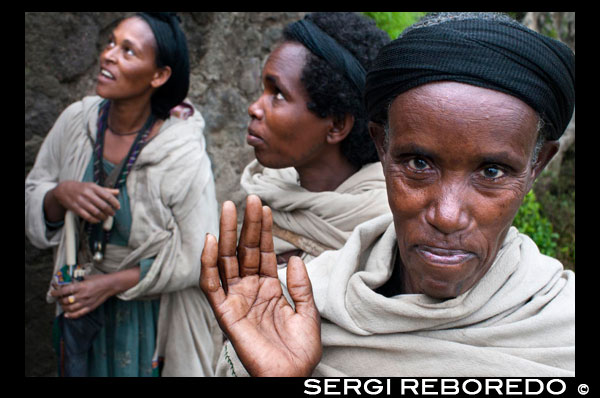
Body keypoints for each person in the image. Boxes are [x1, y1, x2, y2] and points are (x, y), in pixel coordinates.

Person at [200, 12, 575, 377]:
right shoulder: (297, 306)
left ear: (536, 166)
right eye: (418, 164)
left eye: (492, 172)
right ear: (382, 148)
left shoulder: (563, 331)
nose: (446, 216)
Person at [25, 12, 221, 376]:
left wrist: (109, 284)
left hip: (152, 318)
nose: (109, 55)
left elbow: (199, 252)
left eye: (129, 51)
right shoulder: (76, 122)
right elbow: (36, 191)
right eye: (112, 42)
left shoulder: (180, 151)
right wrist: (60, 195)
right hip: (79, 305)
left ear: (159, 75)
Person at [242, 12, 391, 267]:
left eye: (278, 94)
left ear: (336, 126)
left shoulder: (384, 229)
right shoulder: (264, 192)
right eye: (263, 91)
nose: (254, 108)